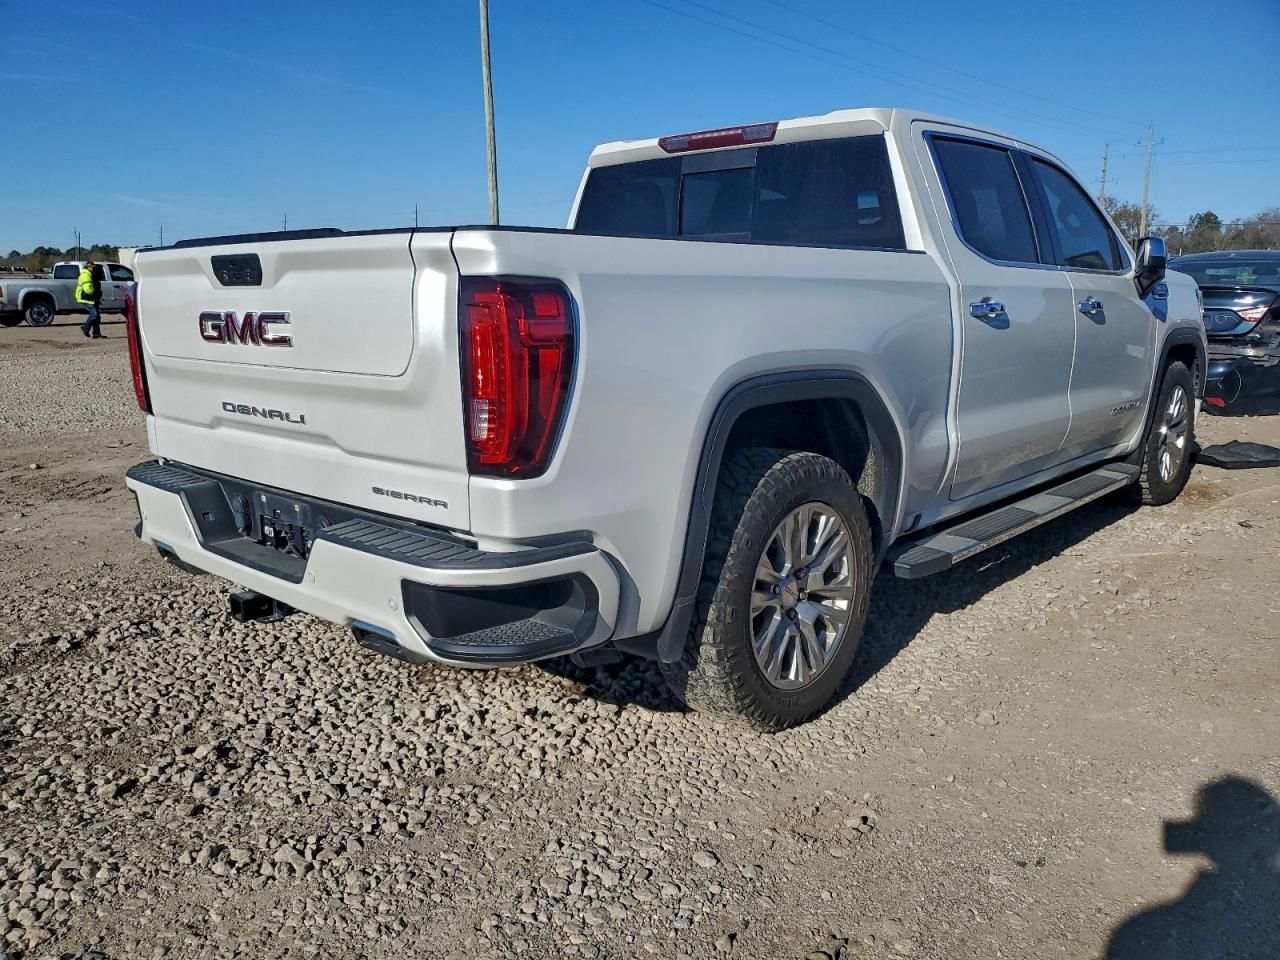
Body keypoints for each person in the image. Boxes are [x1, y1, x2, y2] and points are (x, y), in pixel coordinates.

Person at [76, 260, 102, 338]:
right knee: (94, 314)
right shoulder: (85, 275)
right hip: (86, 298)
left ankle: (96, 334)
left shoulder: (90, 274)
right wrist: (95, 294)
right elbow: (88, 290)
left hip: (91, 298)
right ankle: (85, 328)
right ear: (88, 267)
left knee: (97, 316)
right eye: (92, 267)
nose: (94, 268)